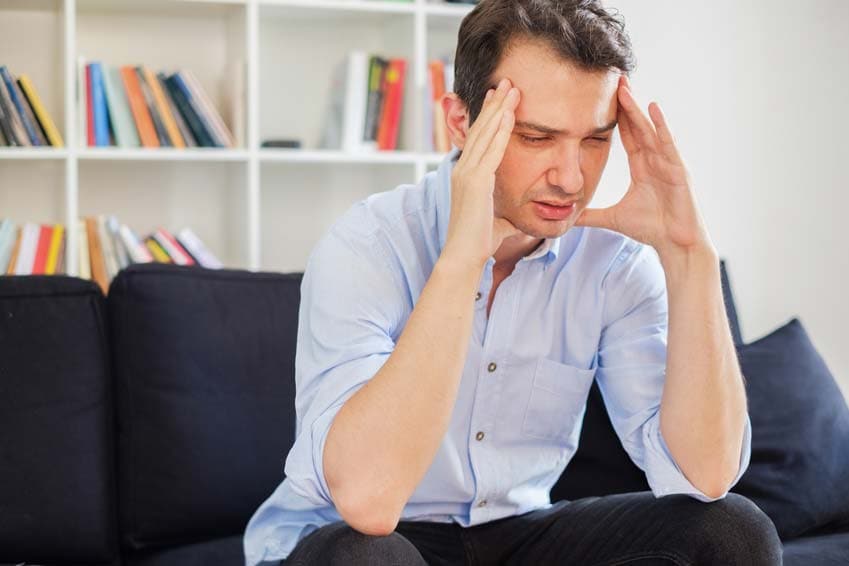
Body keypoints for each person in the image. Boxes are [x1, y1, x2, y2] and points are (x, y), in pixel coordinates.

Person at [244, 1, 783, 564]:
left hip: (517, 529)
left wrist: (689, 252)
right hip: (368, 536)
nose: (571, 178)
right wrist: (463, 256)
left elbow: (706, 476)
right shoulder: (369, 245)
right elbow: (368, 502)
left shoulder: (613, 264)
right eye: (535, 137)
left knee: (731, 530)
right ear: (461, 123)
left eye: (595, 140)